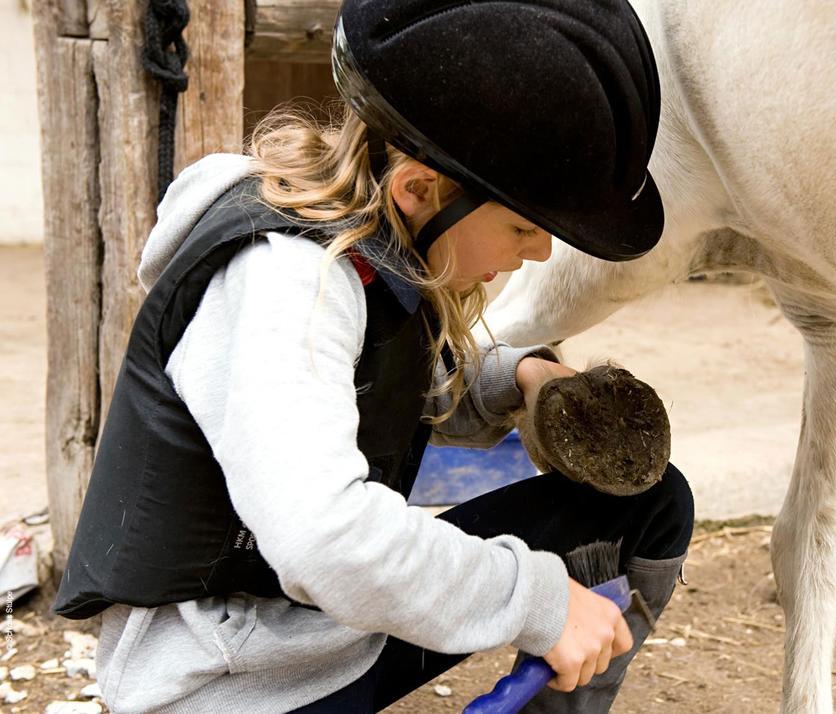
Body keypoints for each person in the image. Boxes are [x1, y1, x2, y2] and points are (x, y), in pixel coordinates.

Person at [51, 1, 694, 712]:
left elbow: (394, 385)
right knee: (518, 586)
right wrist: (539, 600)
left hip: (322, 635)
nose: (539, 250)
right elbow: (325, 539)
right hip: (225, 683)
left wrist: (522, 378)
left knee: (652, 503)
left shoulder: (377, 250)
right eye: (521, 225)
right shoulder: (282, 281)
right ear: (420, 187)